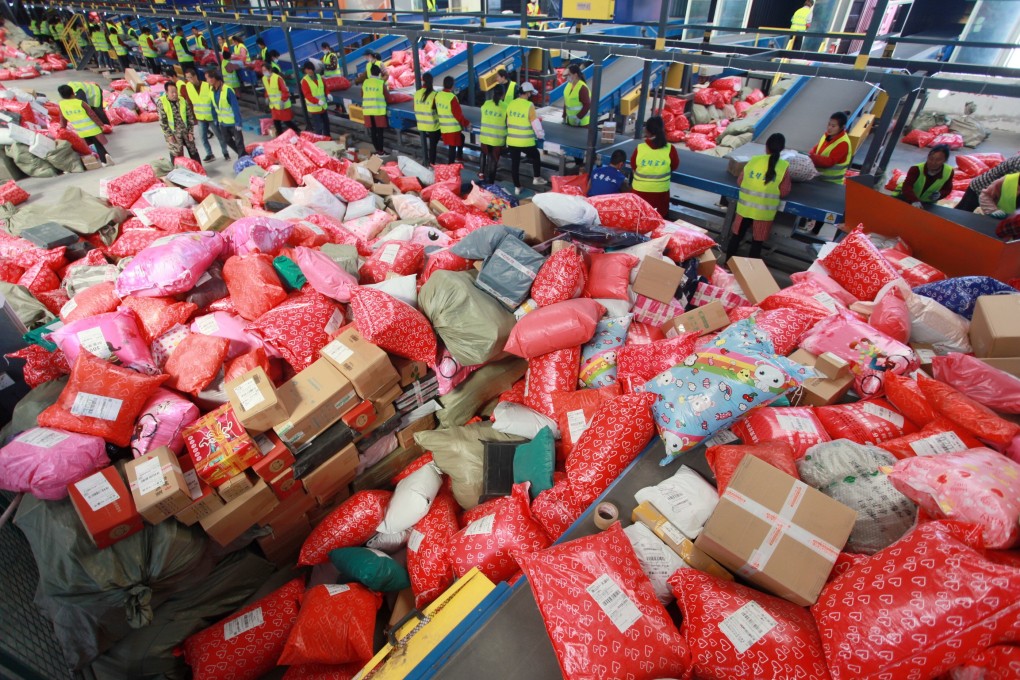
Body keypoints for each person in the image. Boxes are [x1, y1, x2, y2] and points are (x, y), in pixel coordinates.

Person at [724, 133, 792, 260]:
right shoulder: (783, 167)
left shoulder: (754, 160)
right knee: (757, 242)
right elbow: (784, 191)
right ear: (782, 149)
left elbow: (740, 181)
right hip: (763, 213)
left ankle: (727, 264)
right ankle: (751, 272)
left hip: (745, 209)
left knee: (736, 237)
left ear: (766, 147)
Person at [631, 116, 679, 219]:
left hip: (639, 196)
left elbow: (633, 166)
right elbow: (674, 166)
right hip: (660, 197)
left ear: (647, 131)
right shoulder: (670, 149)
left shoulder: (640, 148)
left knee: (639, 220)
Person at [506, 82, 547, 193]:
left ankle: (517, 187)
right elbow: (535, 123)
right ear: (528, 93)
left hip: (512, 140)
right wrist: (541, 135)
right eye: (530, 93)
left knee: (515, 163)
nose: (530, 95)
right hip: (525, 141)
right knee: (535, 155)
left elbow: (508, 121)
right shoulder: (529, 105)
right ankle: (536, 178)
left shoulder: (511, 104)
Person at [57, 84, 111, 165]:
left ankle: (100, 160)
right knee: (98, 144)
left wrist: (62, 127)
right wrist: (101, 125)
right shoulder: (80, 103)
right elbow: (92, 115)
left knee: (89, 147)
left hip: (80, 130)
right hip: (92, 128)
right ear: (72, 92)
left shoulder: (61, 105)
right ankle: (104, 161)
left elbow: (62, 118)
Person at [955, 153, 1020, 212]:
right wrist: (993, 210)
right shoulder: (1017, 164)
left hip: (992, 190)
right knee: (963, 212)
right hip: (979, 188)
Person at [183, 68, 220, 161]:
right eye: (187, 78)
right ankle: (210, 154)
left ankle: (225, 152)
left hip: (211, 116)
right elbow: (189, 101)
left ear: (195, 76)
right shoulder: (188, 86)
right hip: (200, 118)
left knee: (220, 136)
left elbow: (213, 100)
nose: (189, 80)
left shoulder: (206, 85)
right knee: (203, 137)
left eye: (191, 77)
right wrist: (192, 116)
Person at [158, 82, 200, 164]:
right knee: (176, 155)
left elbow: (189, 117)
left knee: (193, 151)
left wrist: (190, 132)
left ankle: (200, 171)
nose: (174, 94)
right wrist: (169, 135)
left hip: (185, 132)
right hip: (174, 134)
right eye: (172, 93)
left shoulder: (182, 101)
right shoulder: (162, 103)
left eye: (175, 92)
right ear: (166, 92)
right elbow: (163, 122)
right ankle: (178, 174)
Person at [207, 69, 244, 158]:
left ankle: (242, 156)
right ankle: (242, 154)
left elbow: (235, 107)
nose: (207, 81)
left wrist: (238, 122)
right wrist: (215, 119)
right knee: (227, 140)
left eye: (208, 78)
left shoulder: (227, 90)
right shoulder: (212, 91)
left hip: (233, 122)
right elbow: (213, 106)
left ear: (214, 78)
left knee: (239, 142)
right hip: (222, 122)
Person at [809, 111, 852, 184]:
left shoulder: (843, 143)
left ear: (842, 127)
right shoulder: (826, 135)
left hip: (832, 183)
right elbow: (815, 148)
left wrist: (811, 157)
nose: (829, 128)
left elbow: (829, 162)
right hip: (818, 178)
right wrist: (810, 155)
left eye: (833, 126)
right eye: (829, 124)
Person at [435, 75, 469, 164]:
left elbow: (435, 108)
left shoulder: (438, 95)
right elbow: (458, 115)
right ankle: (451, 165)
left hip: (444, 127)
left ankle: (458, 158)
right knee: (452, 148)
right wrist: (466, 123)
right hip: (452, 128)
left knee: (461, 138)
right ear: (452, 85)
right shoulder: (452, 98)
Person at [479, 84, 507, 183]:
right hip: (497, 139)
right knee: (493, 160)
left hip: (485, 137)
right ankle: (491, 182)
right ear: (503, 95)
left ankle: (481, 174)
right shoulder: (505, 106)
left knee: (484, 153)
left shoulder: (486, 104)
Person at [262, 62, 300, 136]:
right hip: (274, 105)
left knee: (287, 121)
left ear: (270, 70)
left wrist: (283, 100)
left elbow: (284, 90)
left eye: (265, 70)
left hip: (282, 104)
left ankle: (298, 131)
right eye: (263, 71)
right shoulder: (264, 79)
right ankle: (280, 135)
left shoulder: (277, 78)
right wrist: (267, 97)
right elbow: (268, 89)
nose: (264, 72)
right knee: (276, 121)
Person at [414, 72, 440, 166]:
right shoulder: (434, 95)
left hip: (421, 123)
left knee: (429, 144)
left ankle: (428, 161)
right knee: (433, 146)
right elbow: (437, 109)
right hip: (433, 125)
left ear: (422, 81)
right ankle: (432, 163)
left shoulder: (417, 94)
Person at [363, 64, 388, 153]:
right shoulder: (381, 83)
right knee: (380, 132)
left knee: (373, 132)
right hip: (378, 111)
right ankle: (381, 151)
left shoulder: (365, 82)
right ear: (379, 73)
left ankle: (377, 149)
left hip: (368, 111)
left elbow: (362, 94)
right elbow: (387, 96)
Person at [301, 61, 330, 137]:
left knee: (326, 123)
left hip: (323, 106)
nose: (309, 71)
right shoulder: (305, 81)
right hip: (314, 108)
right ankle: (319, 139)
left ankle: (327, 137)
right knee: (318, 126)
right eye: (307, 69)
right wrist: (317, 101)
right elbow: (307, 95)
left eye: (310, 69)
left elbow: (324, 87)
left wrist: (328, 94)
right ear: (305, 70)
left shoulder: (319, 77)